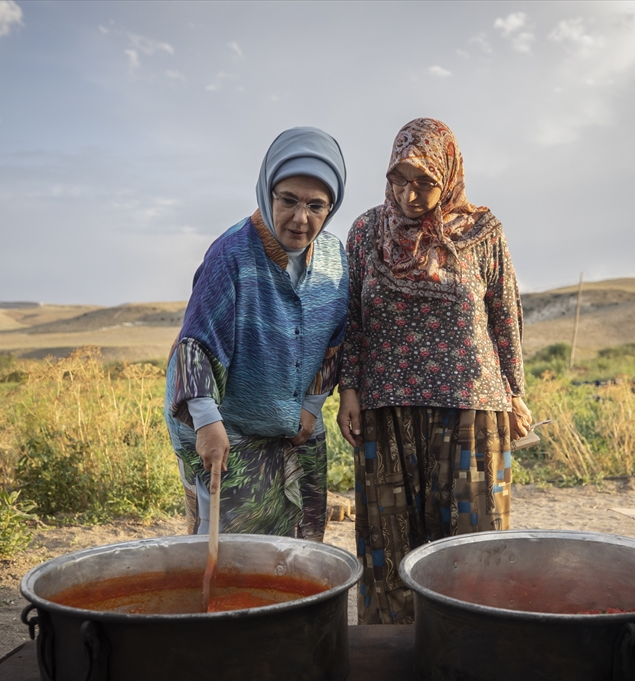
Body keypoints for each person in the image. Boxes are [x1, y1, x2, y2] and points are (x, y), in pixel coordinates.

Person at [337, 118, 532, 624]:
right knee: (387, 548)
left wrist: (515, 393)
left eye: (424, 180)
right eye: (400, 178)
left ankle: (476, 650)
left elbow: (504, 317)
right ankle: (390, 662)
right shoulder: (365, 231)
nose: (410, 193)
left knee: (472, 549)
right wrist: (350, 390)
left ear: (448, 175)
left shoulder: (481, 232)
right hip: (386, 411)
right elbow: (352, 320)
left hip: (471, 410)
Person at [165, 127, 348, 541]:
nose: (301, 219)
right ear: (268, 193)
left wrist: (312, 406)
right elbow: (195, 346)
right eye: (288, 201)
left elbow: (335, 340)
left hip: (296, 421)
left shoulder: (336, 258)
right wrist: (207, 424)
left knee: (300, 547)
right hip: (225, 423)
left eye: (316, 206)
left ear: (331, 208)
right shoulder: (231, 254)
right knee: (229, 547)